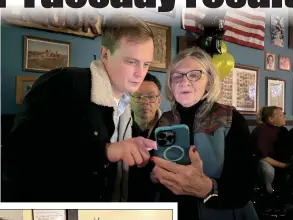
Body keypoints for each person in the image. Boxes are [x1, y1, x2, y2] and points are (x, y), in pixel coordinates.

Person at [1, 13, 157, 202]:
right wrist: (106, 152)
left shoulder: (126, 107)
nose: (140, 73)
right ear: (105, 54)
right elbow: (18, 158)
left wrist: (152, 168)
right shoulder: (63, 83)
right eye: (131, 61)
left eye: (146, 64)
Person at [148, 47, 259, 220]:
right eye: (177, 75)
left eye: (194, 75)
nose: (184, 81)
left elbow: (243, 189)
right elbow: (148, 173)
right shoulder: (163, 121)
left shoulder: (231, 119)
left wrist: (207, 188)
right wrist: (153, 176)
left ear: (209, 82)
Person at [130, 72, 162, 138]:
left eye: (151, 96)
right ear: (129, 100)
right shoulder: (117, 125)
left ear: (159, 100)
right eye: (138, 97)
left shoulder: (170, 125)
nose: (145, 101)